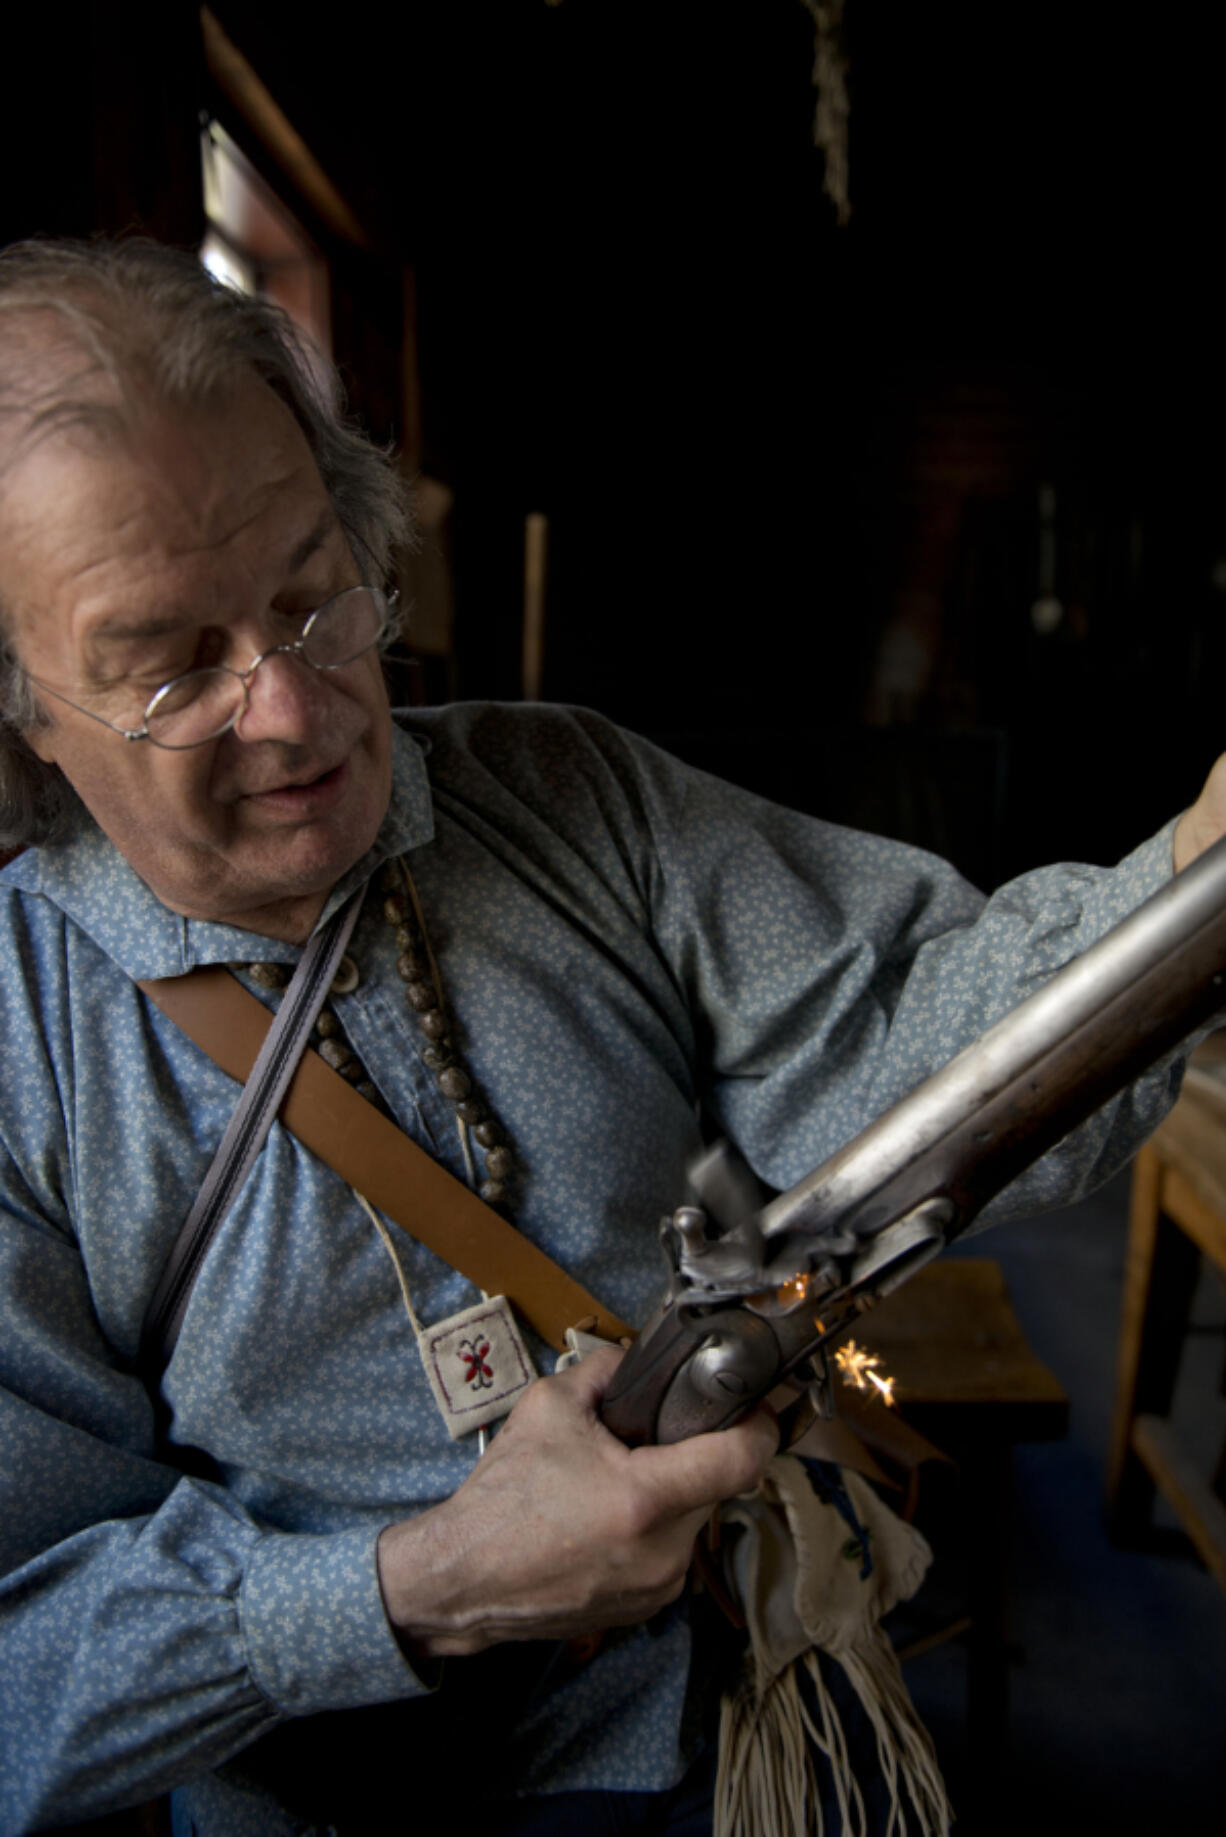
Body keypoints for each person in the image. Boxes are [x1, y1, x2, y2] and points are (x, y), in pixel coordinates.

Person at [0, 237, 1222, 1837]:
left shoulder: (568, 797)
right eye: (170, 669)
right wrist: (410, 1588)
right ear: (24, 706)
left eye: (312, 599)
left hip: (735, 1731)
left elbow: (933, 1046)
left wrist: (1199, 875)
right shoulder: (23, 1033)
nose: (292, 711)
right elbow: (23, 1678)